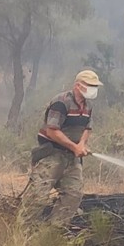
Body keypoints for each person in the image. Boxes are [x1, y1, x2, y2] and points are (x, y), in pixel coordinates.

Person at [18, 70, 101, 229]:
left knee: (73, 195)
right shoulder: (61, 103)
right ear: (78, 86)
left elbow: (87, 128)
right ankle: (23, 232)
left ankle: (53, 231)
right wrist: (74, 147)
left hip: (72, 158)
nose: (93, 89)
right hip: (52, 154)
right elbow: (52, 131)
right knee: (37, 196)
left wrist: (81, 144)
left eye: (95, 86)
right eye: (90, 85)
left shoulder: (88, 106)